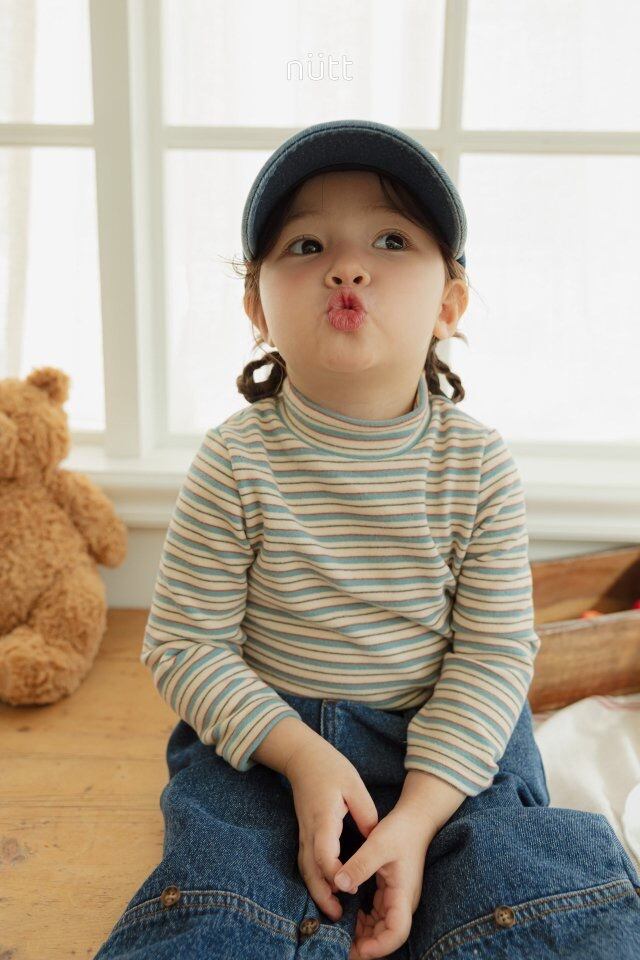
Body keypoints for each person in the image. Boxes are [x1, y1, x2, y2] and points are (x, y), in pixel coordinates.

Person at [92, 119, 640, 960]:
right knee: (219, 893)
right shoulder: (235, 460)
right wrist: (301, 758)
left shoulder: (478, 466)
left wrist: (417, 817)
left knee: (525, 887)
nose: (347, 267)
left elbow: (493, 657)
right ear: (257, 309)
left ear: (450, 304)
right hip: (270, 745)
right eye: (307, 245)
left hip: (452, 745)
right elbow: (185, 645)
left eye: (390, 241)